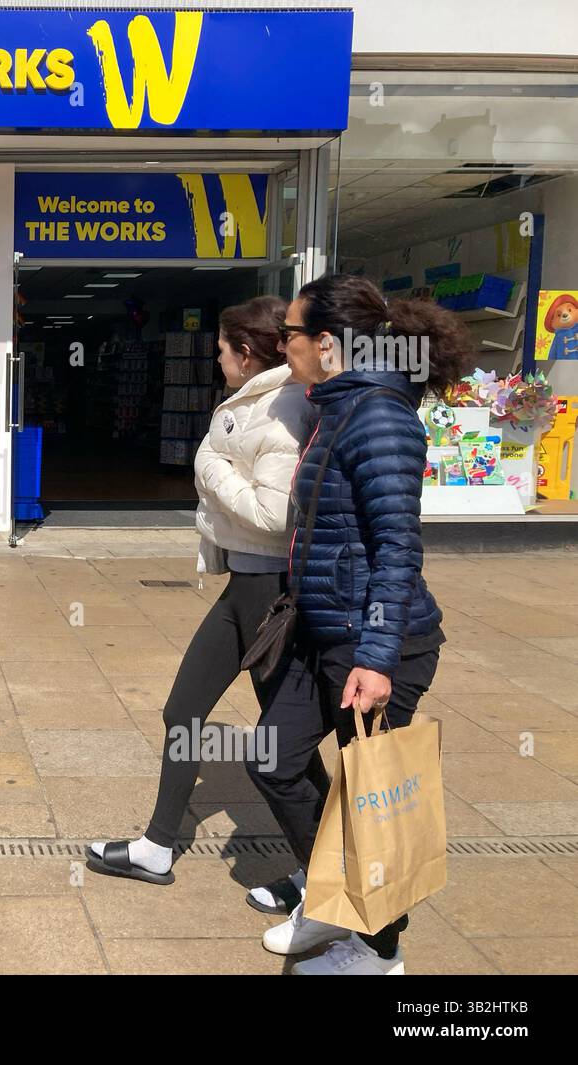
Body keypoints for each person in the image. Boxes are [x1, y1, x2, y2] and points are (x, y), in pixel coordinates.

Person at [247, 274, 465, 976]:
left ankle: (379, 949)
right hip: (324, 632)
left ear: (328, 344)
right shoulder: (335, 406)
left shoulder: (378, 415)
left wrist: (373, 655)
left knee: (371, 805)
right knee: (274, 760)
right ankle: (329, 896)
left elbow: (397, 545)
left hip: (379, 646)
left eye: (290, 333)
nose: (282, 344)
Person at [87, 296, 316, 887]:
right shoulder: (254, 403)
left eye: (220, 350)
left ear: (245, 354)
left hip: (272, 594)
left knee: (286, 748)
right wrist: (214, 458)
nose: (215, 360)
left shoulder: (286, 408)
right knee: (184, 711)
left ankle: (328, 871)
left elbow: (272, 515)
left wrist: (210, 465)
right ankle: (157, 847)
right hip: (246, 584)